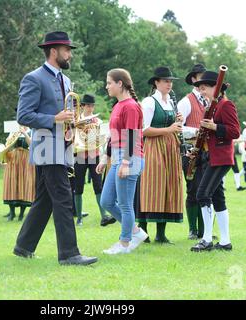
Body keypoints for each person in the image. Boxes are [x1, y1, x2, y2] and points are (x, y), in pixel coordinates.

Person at [14, 31, 97, 266]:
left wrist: (76, 124)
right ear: (54, 51)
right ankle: (69, 254)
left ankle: (23, 246)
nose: (69, 54)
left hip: (63, 146)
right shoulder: (34, 78)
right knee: (63, 198)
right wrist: (55, 118)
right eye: (67, 50)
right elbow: (24, 115)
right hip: (46, 148)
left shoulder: (66, 80)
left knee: (45, 200)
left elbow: (67, 115)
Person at [96, 68, 147, 255]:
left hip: (130, 158)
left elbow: (132, 136)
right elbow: (113, 136)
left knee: (125, 204)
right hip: (118, 157)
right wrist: (105, 158)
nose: (106, 86)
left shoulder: (131, 106)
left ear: (120, 84)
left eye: (109, 82)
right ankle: (135, 231)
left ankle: (124, 243)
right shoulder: (117, 106)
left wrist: (126, 163)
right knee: (106, 201)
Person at [189, 70, 241, 252]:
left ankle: (206, 239)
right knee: (218, 198)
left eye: (204, 89)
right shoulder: (214, 105)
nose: (202, 92)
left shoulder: (226, 105)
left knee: (202, 194)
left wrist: (213, 126)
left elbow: (235, 131)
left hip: (220, 157)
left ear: (215, 87)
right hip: (209, 155)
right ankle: (225, 241)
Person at [137, 66, 183, 244]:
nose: (169, 84)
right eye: (165, 81)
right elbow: (143, 130)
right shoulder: (149, 102)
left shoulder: (170, 101)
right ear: (156, 82)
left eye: (170, 81)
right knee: (151, 185)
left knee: (167, 185)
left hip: (170, 147)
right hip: (154, 147)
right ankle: (143, 231)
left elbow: (174, 128)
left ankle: (161, 233)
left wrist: (178, 122)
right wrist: (169, 129)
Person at [73, 94, 115, 227]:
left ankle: (104, 216)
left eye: (92, 106)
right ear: (83, 106)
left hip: (94, 155)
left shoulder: (96, 121)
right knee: (78, 187)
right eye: (88, 106)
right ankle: (79, 217)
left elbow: (98, 139)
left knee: (98, 185)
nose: (91, 108)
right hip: (79, 155)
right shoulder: (76, 119)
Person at [177, 63, 207, 240]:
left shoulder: (209, 100)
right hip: (190, 151)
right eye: (200, 77)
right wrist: (196, 131)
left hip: (207, 151)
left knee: (207, 190)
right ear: (194, 79)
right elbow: (178, 127)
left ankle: (205, 230)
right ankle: (193, 229)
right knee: (193, 189)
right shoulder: (186, 101)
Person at [2, 126, 35, 221]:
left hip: (26, 158)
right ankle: (11, 213)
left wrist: (24, 133)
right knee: (11, 184)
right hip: (14, 158)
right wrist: (11, 138)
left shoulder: (31, 131)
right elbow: (7, 144)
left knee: (25, 184)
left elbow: (31, 144)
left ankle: (21, 214)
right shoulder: (13, 130)